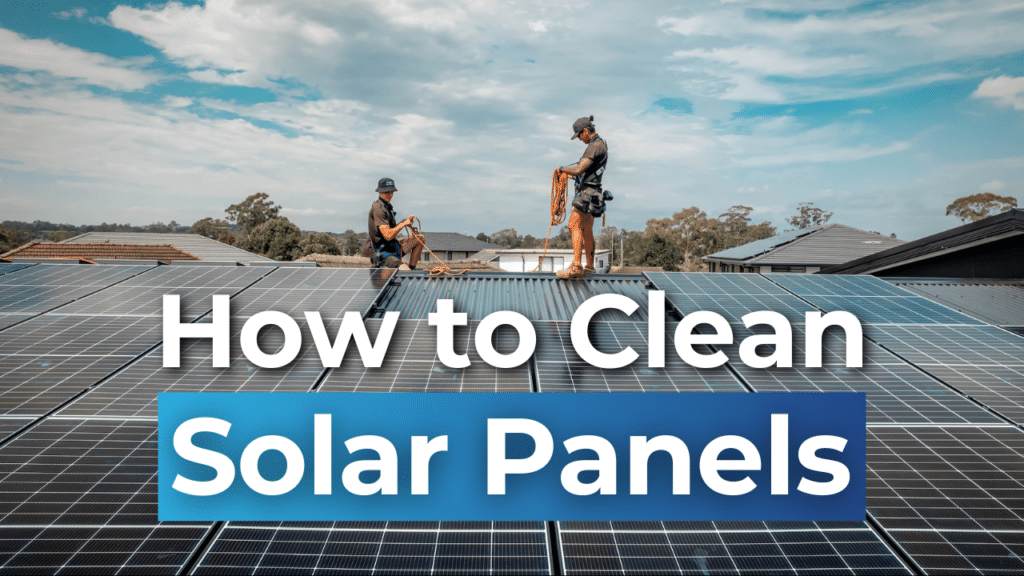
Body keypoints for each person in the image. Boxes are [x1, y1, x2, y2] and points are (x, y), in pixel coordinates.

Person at [555, 115, 608, 279]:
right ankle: (590, 267)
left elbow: (578, 169)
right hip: (594, 192)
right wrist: (568, 176)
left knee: (573, 225)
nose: (579, 138)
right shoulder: (600, 145)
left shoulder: (594, 146)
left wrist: (562, 169)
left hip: (586, 194)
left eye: (579, 135)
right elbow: (584, 174)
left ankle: (577, 266)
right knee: (586, 230)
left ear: (586, 131)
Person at [366, 177, 424, 270]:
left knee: (419, 238)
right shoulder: (378, 209)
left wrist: (404, 222)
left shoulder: (387, 207)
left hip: (393, 247)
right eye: (386, 192)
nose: (389, 195)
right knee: (405, 270)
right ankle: (409, 272)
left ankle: (413, 268)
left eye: (391, 192)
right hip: (382, 253)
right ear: (380, 192)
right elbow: (388, 235)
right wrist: (403, 224)